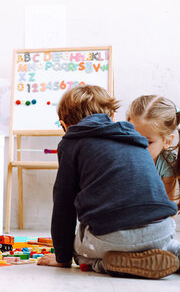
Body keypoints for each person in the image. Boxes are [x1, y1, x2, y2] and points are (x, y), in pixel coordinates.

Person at [37, 85, 180, 279]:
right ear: (113, 115)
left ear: (64, 125)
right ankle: (173, 254)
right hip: (161, 231)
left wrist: (62, 257)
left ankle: (105, 264)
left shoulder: (70, 143)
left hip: (112, 239)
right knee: (167, 244)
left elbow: (64, 206)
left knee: (78, 252)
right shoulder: (134, 137)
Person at [127, 95, 180, 209]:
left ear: (167, 141)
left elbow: (168, 205)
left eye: (148, 142)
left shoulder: (168, 162)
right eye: (132, 137)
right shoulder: (120, 155)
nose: (138, 145)